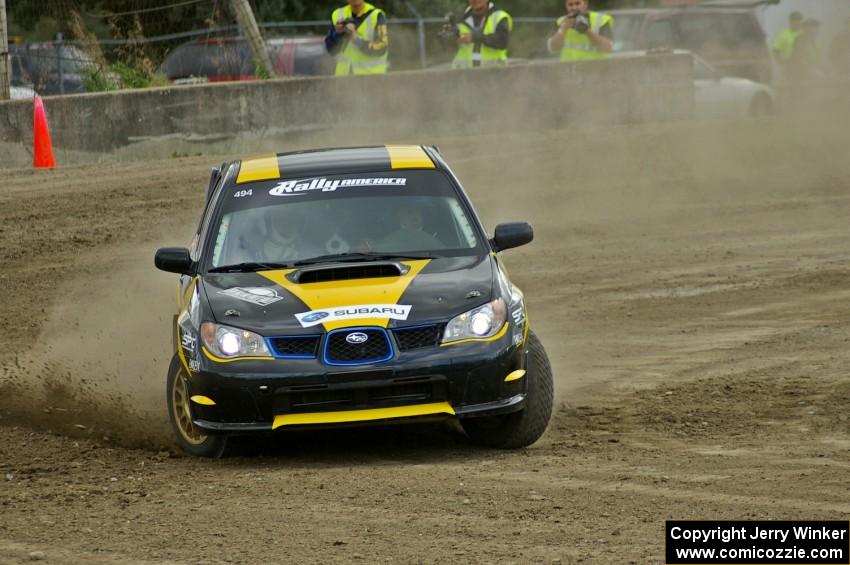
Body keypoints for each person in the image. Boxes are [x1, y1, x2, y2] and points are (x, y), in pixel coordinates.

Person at [325, 0, 388, 76]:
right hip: (344, 78)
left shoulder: (377, 15)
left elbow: (382, 48)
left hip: (371, 77)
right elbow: (331, 50)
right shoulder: (337, 14)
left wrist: (355, 39)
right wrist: (338, 33)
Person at [450, 0, 513, 69]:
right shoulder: (461, 19)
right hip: (464, 74)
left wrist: (475, 38)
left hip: (495, 72)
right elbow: (448, 48)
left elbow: (502, 41)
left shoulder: (499, 16)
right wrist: (449, 39)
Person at [547, 0, 613, 62]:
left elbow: (608, 48)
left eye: (577, 3)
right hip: (568, 69)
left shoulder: (600, 20)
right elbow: (553, 48)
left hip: (595, 68)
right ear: (566, 6)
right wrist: (563, 28)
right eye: (570, 4)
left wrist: (587, 31)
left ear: (585, 5)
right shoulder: (561, 21)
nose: (574, 7)